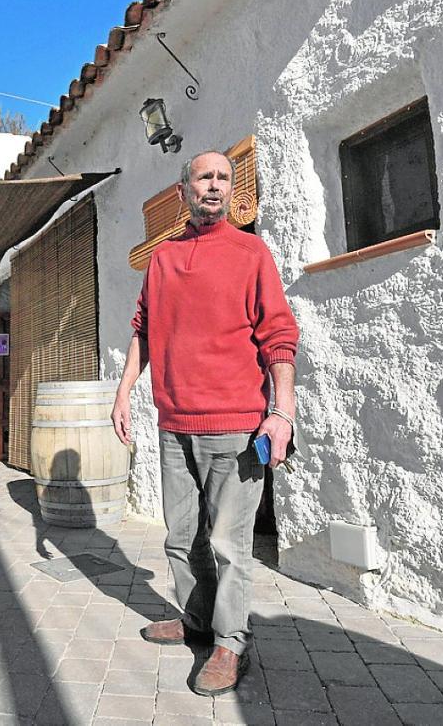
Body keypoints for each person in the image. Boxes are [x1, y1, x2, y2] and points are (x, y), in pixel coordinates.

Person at [111, 150, 299, 696]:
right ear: (183, 192)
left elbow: (279, 337)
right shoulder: (163, 259)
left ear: (230, 191)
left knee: (230, 544)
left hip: (235, 427)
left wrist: (280, 413)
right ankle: (197, 622)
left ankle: (230, 644)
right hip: (174, 425)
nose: (213, 186)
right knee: (181, 538)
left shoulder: (251, 252)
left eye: (223, 178)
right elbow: (143, 329)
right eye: (203, 178)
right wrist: (125, 393)